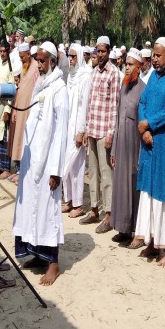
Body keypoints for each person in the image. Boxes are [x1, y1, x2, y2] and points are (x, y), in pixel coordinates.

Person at [12, 41, 69, 286]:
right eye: (38, 60)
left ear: (53, 62)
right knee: (31, 210)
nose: (40, 64)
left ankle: (53, 264)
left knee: (48, 211)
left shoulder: (59, 90)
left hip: (48, 164)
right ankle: (35, 253)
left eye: (44, 61)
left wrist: (56, 170)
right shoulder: (40, 85)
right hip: (31, 159)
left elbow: (61, 133)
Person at [134, 37, 165, 268]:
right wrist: (144, 127)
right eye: (153, 54)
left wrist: (148, 124)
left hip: (163, 144)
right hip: (148, 142)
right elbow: (142, 102)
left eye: (158, 55)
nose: (154, 58)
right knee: (148, 193)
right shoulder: (153, 76)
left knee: (163, 196)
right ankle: (152, 241)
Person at [80, 36, 121, 233]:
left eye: (104, 51)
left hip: (105, 131)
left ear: (109, 51)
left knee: (106, 174)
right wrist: (87, 128)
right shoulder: (94, 72)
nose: (101, 54)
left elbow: (115, 106)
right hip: (94, 128)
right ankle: (94, 209)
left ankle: (109, 214)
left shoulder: (114, 74)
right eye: (99, 51)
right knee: (93, 172)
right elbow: (90, 103)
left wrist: (111, 133)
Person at [110, 48, 146, 244]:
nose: (127, 68)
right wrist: (114, 148)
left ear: (139, 68)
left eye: (131, 65)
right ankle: (122, 228)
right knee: (120, 187)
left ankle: (133, 230)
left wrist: (141, 155)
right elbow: (117, 120)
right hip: (121, 146)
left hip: (134, 148)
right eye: (126, 64)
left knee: (132, 189)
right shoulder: (123, 88)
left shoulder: (143, 89)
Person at [62, 43, 92, 218]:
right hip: (67, 125)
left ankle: (79, 204)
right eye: (70, 56)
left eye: (73, 56)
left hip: (77, 127)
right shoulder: (70, 76)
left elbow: (84, 105)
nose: (71, 59)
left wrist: (81, 130)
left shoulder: (85, 77)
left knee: (77, 167)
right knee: (66, 165)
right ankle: (69, 200)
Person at [11, 41, 40, 180]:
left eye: (23, 56)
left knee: (27, 139)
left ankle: (24, 173)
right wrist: (15, 109)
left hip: (29, 110)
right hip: (20, 108)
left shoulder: (35, 68)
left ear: (29, 54)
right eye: (20, 57)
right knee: (18, 140)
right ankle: (19, 171)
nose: (21, 59)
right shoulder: (24, 67)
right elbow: (20, 88)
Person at [0, 41, 14, 179]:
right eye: (0, 51)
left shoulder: (11, 67)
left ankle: (6, 168)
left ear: (8, 51)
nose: (2, 53)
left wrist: (7, 110)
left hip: (4, 104)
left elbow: (11, 90)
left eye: (4, 51)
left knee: (3, 137)